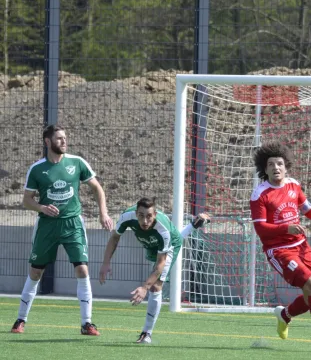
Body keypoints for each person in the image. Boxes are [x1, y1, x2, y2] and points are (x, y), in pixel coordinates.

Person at [11, 124, 114, 335]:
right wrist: (41, 207)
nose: (64, 141)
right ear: (47, 142)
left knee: (82, 269)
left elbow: (97, 188)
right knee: (36, 272)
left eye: (65, 138)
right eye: (59, 138)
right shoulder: (37, 169)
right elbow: (26, 201)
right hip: (47, 226)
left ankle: (87, 323)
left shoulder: (77, 163)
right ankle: (20, 319)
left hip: (73, 223)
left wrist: (103, 213)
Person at [250, 142, 311, 354]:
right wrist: (286, 227)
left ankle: (285, 315)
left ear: (286, 167)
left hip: (302, 246)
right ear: (264, 169)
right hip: (279, 251)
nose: (276, 167)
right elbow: (261, 229)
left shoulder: (293, 185)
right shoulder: (260, 195)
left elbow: (307, 209)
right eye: (271, 164)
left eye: (280, 164)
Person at [99, 197, 210, 344]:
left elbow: (160, 264)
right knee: (153, 281)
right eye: (141, 216)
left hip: (169, 245)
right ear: (136, 213)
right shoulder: (126, 216)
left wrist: (145, 287)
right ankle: (192, 225)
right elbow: (114, 238)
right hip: (149, 243)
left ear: (155, 214)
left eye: (149, 216)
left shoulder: (163, 231)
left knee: (155, 286)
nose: (145, 221)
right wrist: (106, 263)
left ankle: (147, 333)